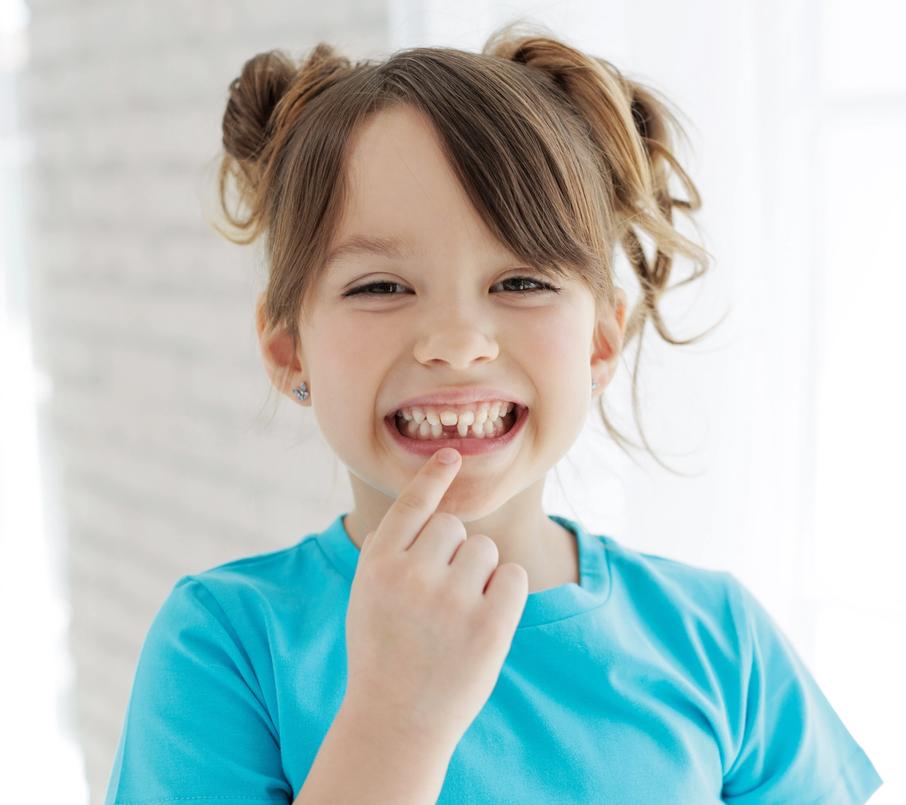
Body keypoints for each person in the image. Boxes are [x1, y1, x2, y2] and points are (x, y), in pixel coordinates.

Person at [104, 20, 883, 804]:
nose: (456, 343)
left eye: (521, 283)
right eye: (380, 286)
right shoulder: (225, 644)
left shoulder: (720, 639)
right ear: (288, 351)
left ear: (600, 342)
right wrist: (394, 719)